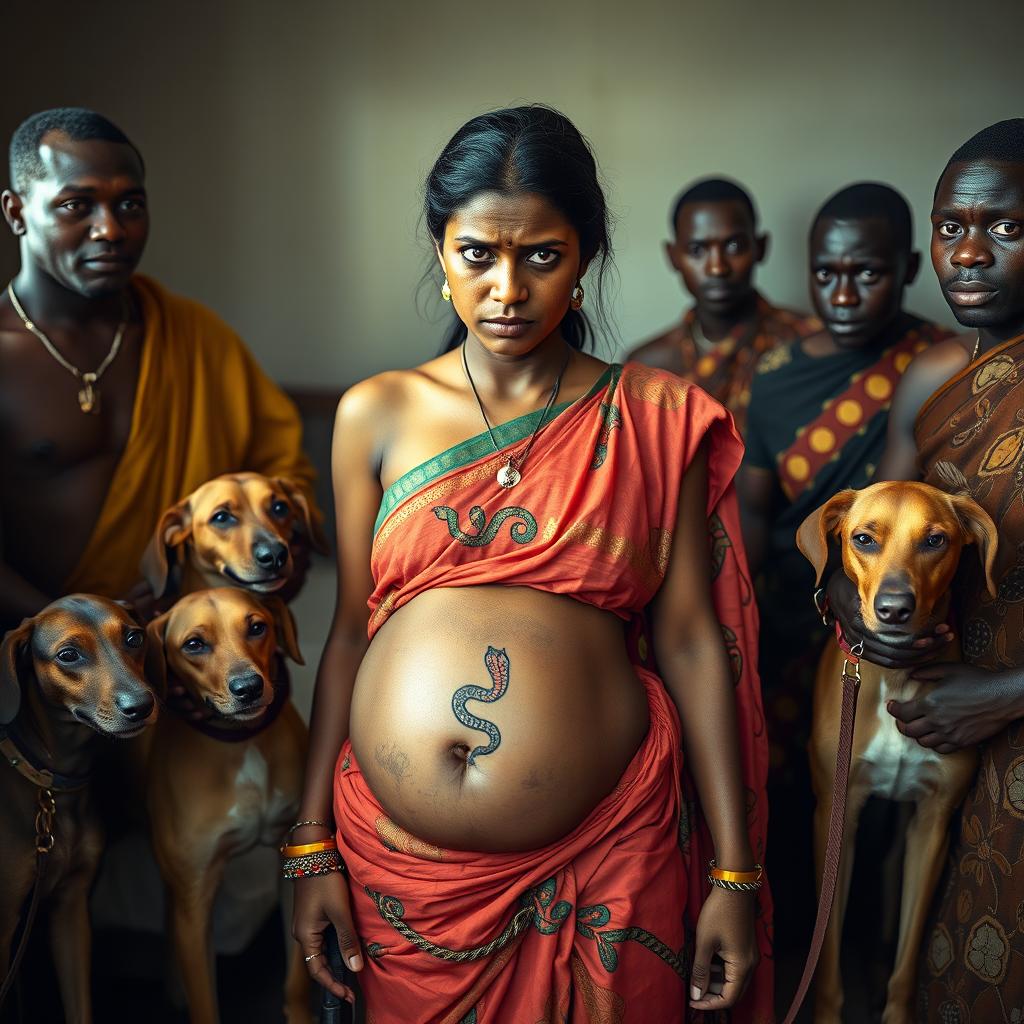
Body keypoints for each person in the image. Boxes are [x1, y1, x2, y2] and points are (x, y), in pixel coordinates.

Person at [290, 106, 772, 1022]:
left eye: (541, 256)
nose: (507, 287)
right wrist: (307, 845)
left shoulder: (655, 418)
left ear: (584, 257)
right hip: (404, 884)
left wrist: (735, 872)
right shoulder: (376, 414)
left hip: (610, 853)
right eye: (478, 253)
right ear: (441, 251)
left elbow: (693, 643)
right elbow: (351, 631)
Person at [825, 119, 1024, 1021]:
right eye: (951, 228)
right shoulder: (932, 374)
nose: (971, 253)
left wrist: (1005, 693)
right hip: (935, 707)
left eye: (1007, 229)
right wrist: (860, 614)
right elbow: (867, 532)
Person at [739, 182, 956, 972]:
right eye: (825, 272)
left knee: (906, 815)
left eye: (864, 273)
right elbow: (758, 519)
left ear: (904, 269)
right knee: (798, 797)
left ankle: (872, 963)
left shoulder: (939, 366)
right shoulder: (779, 372)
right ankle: (799, 952)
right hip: (804, 610)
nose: (841, 291)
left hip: (904, 615)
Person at [0, 107, 317, 630]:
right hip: (45, 669)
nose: (110, 229)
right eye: (77, 205)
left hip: (193, 660)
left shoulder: (193, 335)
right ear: (16, 212)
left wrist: (284, 551)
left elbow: (284, 476)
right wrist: (79, 626)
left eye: (130, 204)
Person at [627, 177, 819, 434]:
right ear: (673, 256)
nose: (717, 267)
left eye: (734, 246)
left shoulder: (808, 340)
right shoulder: (647, 366)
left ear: (760, 248)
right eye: (697, 250)